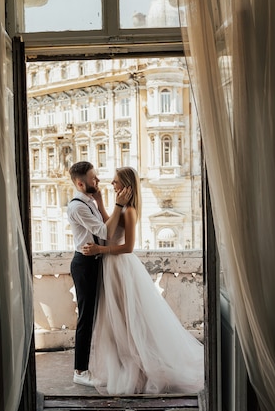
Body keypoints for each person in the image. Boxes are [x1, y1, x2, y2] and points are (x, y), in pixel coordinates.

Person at [82, 167, 204, 395]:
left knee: (130, 320)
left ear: (126, 186)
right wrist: (100, 202)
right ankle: (125, 364)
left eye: (116, 182)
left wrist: (100, 249)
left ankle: (139, 368)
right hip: (111, 268)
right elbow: (109, 227)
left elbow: (128, 247)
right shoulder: (122, 209)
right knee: (117, 319)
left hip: (120, 267)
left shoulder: (130, 211)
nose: (112, 185)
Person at [66, 161, 131, 387]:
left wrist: (103, 202)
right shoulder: (78, 206)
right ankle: (80, 371)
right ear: (80, 183)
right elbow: (105, 231)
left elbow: (105, 225)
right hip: (85, 264)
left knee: (100, 315)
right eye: (93, 178)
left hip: (97, 261)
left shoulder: (90, 200)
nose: (98, 181)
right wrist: (116, 204)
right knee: (86, 317)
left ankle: (104, 363)